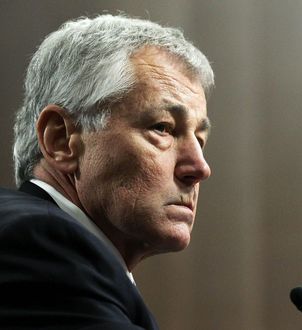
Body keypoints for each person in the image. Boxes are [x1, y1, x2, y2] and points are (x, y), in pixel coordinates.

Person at [0, 14, 214, 329]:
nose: (199, 168)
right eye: (163, 128)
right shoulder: (38, 241)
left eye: (199, 139)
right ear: (61, 140)